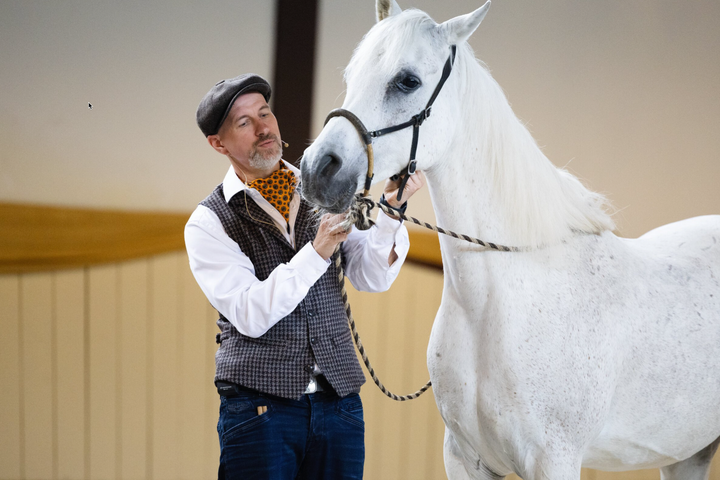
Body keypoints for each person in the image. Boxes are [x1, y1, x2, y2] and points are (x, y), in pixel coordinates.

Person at [185, 73, 425, 480]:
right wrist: (317, 252)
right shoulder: (207, 223)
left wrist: (389, 210)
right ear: (218, 144)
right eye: (244, 123)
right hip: (260, 411)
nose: (263, 128)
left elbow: (372, 277)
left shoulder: (325, 188)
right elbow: (251, 313)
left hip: (340, 406)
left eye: (265, 113)